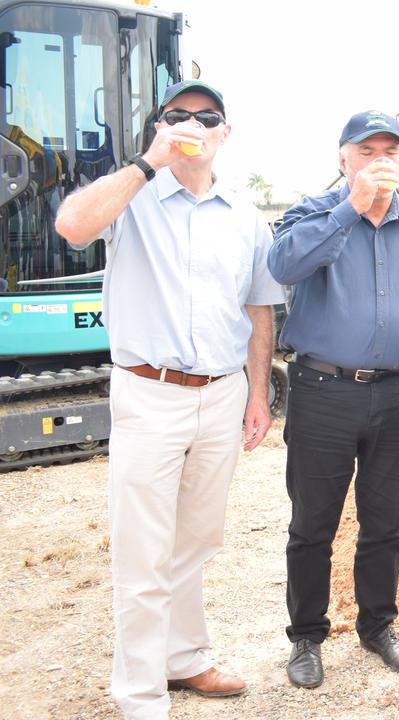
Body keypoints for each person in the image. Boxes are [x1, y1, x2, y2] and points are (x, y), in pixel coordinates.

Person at [55, 79, 284, 718]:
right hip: (148, 392)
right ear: (160, 125)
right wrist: (149, 160)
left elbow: (258, 309)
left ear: (225, 133)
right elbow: (72, 224)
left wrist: (257, 392)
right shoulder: (132, 198)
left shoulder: (245, 216)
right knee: (143, 549)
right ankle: (139, 694)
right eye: (177, 115)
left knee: (196, 540)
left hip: (221, 395)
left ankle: (185, 659)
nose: (192, 125)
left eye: (205, 117)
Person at [267, 110, 399, 689]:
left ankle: (378, 626)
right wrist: (349, 207)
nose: (381, 161)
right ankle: (306, 637)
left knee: (384, 522)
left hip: (397, 394)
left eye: (390, 152)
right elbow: (283, 265)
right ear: (342, 159)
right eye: (367, 150)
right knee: (313, 524)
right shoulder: (312, 213)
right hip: (322, 390)